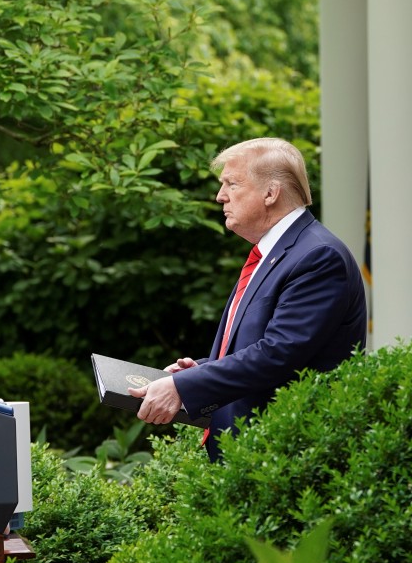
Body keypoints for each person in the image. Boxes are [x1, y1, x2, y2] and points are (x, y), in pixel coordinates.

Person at [128, 137, 368, 461]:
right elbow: (267, 349)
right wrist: (200, 369)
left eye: (231, 184)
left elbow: (278, 354)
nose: (220, 196)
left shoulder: (318, 256)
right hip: (253, 457)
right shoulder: (275, 253)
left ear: (271, 193)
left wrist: (185, 387)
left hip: (286, 460)